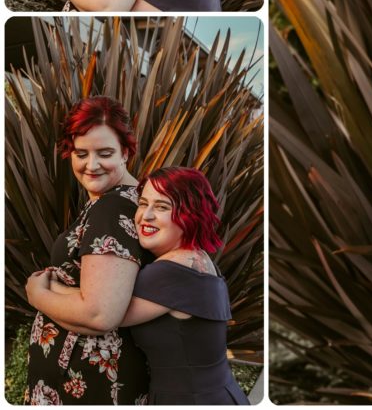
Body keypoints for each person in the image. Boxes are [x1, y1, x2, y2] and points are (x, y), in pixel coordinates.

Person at [46, 167, 250, 405]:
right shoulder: (199, 259)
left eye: (162, 207)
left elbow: (96, 314)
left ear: (190, 214)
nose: (145, 216)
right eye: (143, 204)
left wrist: (43, 291)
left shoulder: (171, 271)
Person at [24, 96, 151, 405]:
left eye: (104, 153)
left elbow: (100, 313)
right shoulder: (118, 200)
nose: (91, 165)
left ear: (126, 151)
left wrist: (37, 294)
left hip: (87, 384)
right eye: (81, 153)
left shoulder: (113, 209)